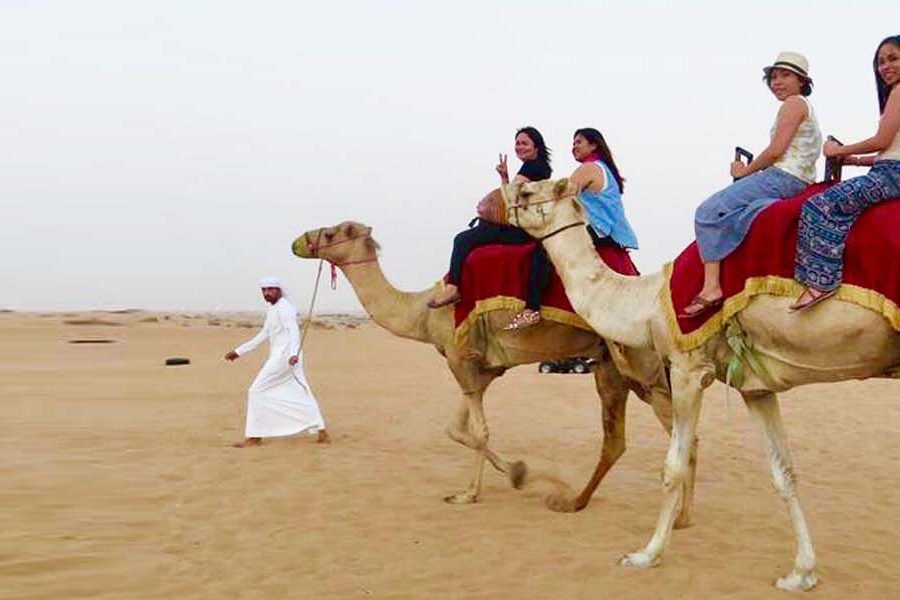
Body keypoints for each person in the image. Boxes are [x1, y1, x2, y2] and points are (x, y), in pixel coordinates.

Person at [682, 51, 822, 317]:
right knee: (747, 215)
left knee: (707, 212)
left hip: (782, 177)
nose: (777, 82)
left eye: (785, 75)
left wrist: (745, 172)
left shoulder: (793, 104)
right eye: (773, 77)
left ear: (802, 81)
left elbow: (775, 151)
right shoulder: (805, 108)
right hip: (798, 180)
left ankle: (711, 287)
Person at [791, 36, 900, 310]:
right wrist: (854, 159)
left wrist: (836, 152)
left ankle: (821, 281)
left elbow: (881, 141)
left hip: (890, 175)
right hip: (889, 170)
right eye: (881, 62)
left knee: (818, 207)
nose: (885, 66)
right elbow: (890, 149)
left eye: (893, 58)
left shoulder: (899, 91)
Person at [428, 126, 555, 330]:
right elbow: (511, 196)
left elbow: (509, 197)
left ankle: (453, 287)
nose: (519, 147)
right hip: (525, 226)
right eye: (517, 143)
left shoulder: (533, 168)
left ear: (536, 147)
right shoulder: (536, 168)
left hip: (523, 230)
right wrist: (505, 177)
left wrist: (488, 206)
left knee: (462, 239)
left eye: (524, 143)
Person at [224, 276, 331, 448]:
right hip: (283, 356)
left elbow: (293, 331)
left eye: (270, 289)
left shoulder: (285, 308)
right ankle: (322, 431)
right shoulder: (273, 309)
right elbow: (264, 334)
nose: (267, 293)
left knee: (256, 390)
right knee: (301, 391)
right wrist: (239, 351)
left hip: (285, 358)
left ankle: (254, 436)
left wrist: (293, 353)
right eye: (264, 290)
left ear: (279, 290)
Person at [568, 127, 639, 251]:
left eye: (579, 142)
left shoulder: (589, 168)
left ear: (593, 145)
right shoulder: (605, 169)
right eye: (573, 143)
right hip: (614, 236)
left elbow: (560, 196)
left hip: (598, 232)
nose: (574, 147)